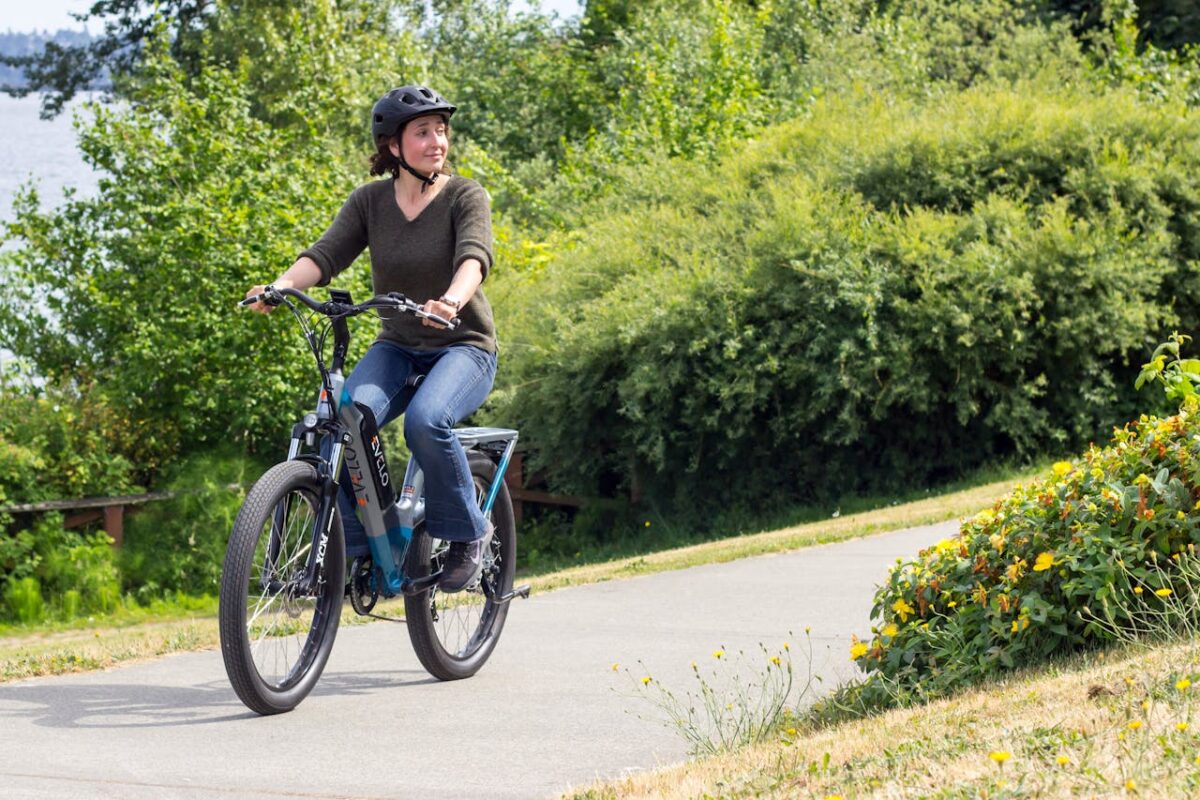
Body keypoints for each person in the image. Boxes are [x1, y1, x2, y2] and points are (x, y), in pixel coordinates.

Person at [244, 85, 498, 592]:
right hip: (398, 347)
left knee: (426, 421)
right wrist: (280, 286)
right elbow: (325, 255)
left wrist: (449, 300)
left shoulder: (465, 196)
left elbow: (475, 258)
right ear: (393, 146)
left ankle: (469, 534)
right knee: (346, 422)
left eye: (441, 131)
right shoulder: (369, 202)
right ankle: (360, 552)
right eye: (423, 132)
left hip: (463, 345)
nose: (437, 142)